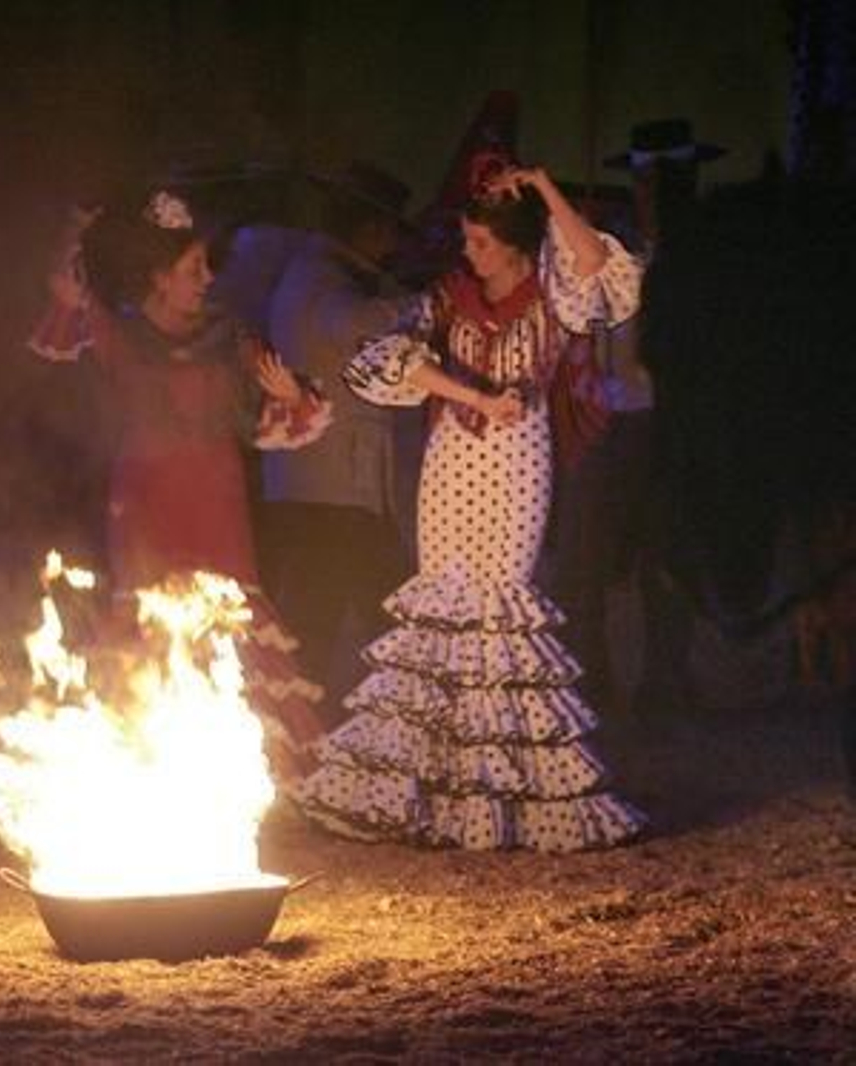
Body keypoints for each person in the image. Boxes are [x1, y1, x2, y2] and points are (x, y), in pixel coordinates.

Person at [293, 157, 648, 851]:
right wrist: (477, 397)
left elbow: (598, 266)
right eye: (467, 240)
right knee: (446, 603)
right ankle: (436, 791)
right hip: (454, 456)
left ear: (516, 246)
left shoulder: (552, 295)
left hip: (519, 460)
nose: (470, 251)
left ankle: (501, 794)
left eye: (481, 242)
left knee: (500, 607)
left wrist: (543, 186)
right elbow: (394, 360)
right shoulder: (449, 297)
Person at [27, 187, 334, 784]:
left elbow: (281, 406)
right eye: (194, 268)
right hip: (145, 495)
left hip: (214, 494)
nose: (208, 278)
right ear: (159, 277)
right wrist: (79, 229)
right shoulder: (118, 334)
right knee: (148, 615)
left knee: (229, 612)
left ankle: (252, 770)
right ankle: (143, 758)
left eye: (207, 265)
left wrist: (292, 395)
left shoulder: (230, 338)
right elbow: (65, 295)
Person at [216, 160, 420, 719]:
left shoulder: (319, 269)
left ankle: (306, 731)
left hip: (325, 486)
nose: (393, 246)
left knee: (326, 623)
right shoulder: (323, 277)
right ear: (371, 229)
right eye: (390, 233)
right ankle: (346, 730)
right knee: (383, 617)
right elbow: (349, 323)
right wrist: (426, 305)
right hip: (332, 488)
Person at [548, 118, 721, 714]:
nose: (653, 194)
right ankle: (591, 680)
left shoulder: (706, 259)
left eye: (666, 182)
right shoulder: (612, 251)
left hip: (672, 423)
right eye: (647, 182)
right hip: (611, 418)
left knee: (668, 554)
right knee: (583, 558)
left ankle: (666, 682)